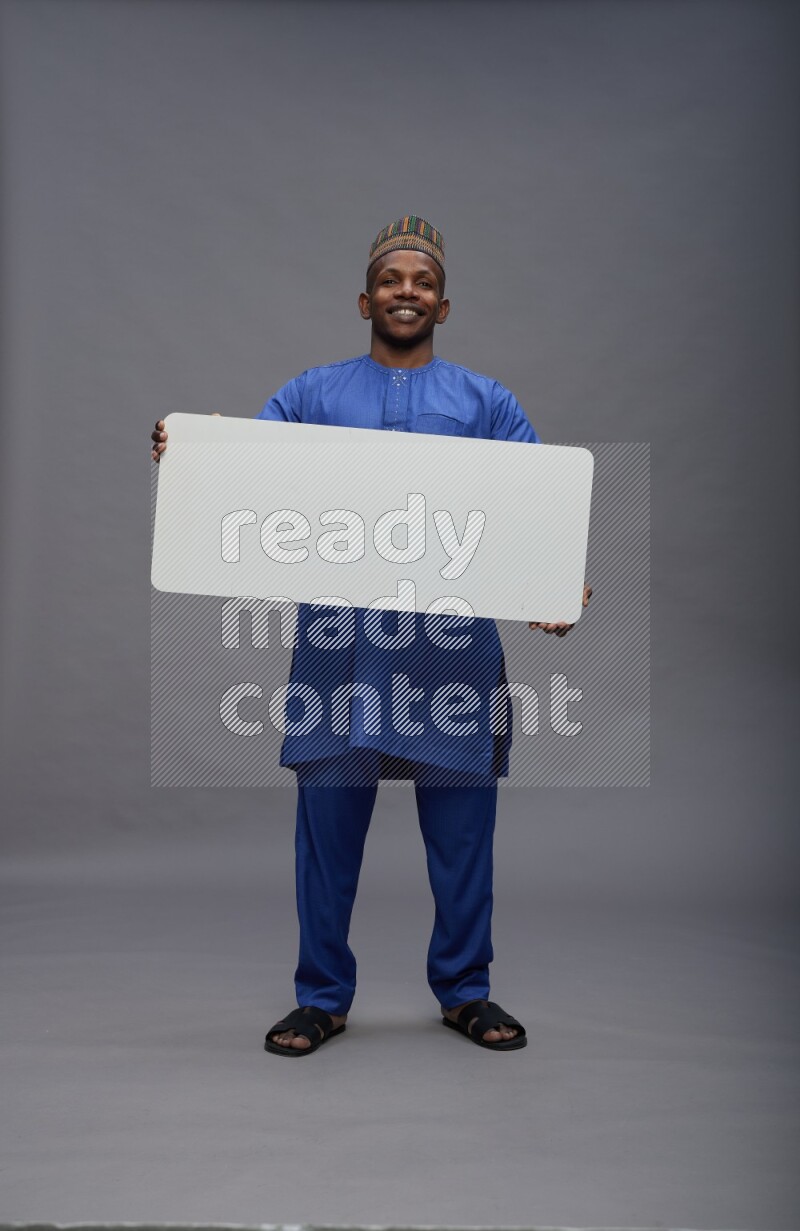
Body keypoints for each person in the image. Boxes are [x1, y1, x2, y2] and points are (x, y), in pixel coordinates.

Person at [152, 216, 592, 1056]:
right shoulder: (311, 395)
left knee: (463, 837)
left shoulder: (486, 402)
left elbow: (542, 508)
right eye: (391, 279)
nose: (406, 292)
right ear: (365, 299)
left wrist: (560, 583)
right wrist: (188, 449)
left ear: (444, 306)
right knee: (327, 835)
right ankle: (320, 996)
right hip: (341, 652)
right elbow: (240, 471)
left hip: (451, 655)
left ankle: (465, 990)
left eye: (423, 282)